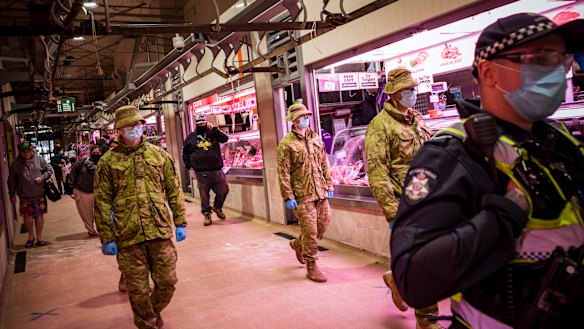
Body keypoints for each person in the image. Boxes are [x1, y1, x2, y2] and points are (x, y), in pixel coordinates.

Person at [390, 13, 584, 329]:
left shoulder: (559, 140)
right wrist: (504, 215)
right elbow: (413, 279)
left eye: (560, 59)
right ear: (489, 73)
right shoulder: (454, 154)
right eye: (539, 59)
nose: (556, 71)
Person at [94, 105, 187, 329]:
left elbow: (174, 190)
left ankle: (151, 312)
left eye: (137, 124)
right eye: (129, 126)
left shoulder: (160, 155)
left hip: (158, 230)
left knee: (167, 283)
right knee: (137, 289)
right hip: (128, 234)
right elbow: (102, 202)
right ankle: (147, 323)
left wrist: (180, 221)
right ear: (120, 130)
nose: (135, 128)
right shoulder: (107, 162)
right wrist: (106, 236)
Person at [364, 68, 436, 328]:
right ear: (393, 94)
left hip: (429, 199)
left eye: (413, 88)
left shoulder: (418, 120)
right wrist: (392, 211)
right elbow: (377, 172)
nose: (412, 93)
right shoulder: (379, 126)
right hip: (404, 204)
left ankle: (397, 278)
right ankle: (427, 320)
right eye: (407, 90)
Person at [277, 104, 334, 283]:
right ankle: (312, 266)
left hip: (321, 191)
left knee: (323, 224)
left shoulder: (315, 138)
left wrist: (329, 184)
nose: (306, 119)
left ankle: (298, 244)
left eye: (307, 116)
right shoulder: (286, 144)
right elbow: (283, 172)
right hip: (303, 194)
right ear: (294, 120)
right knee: (310, 231)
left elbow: (324, 162)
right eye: (302, 116)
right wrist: (288, 196)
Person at [182, 114, 229, 226]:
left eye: (203, 123)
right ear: (196, 124)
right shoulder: (191, 137)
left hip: (217, 170)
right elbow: (185, 153)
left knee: (223, 190)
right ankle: (207, 214)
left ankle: (217, 207)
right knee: (204, 195)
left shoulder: (213, 132)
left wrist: (215, 129)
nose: (201, 125)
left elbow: (225, 139)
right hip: (201, 172)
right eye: (199, 123)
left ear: (206, 122)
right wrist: (189, 165)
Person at [8, 142, 54, 247]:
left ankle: (39, 238)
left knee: (39, 216)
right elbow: (11, 181)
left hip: (39, 194)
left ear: (31, 150)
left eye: (27, 151)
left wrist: (42, 178)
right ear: (20, 152)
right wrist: (12, 194)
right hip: (25, 196)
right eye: (23, 152)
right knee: (27, 217)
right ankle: (30, 237)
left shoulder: (40, 159)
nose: (25, 154)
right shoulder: (15, 164)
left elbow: (50, 170)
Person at [69, 145, 101, 237]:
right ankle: (91, 230)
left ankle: (101, 229)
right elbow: (73, 172)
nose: (96, 155)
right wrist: (71, 187)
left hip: (97, 192)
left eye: (98, 153)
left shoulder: (103, 163)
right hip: (82, 191)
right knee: (86, 214)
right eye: (94, 153)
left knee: (100, 213)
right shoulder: (83, 161)